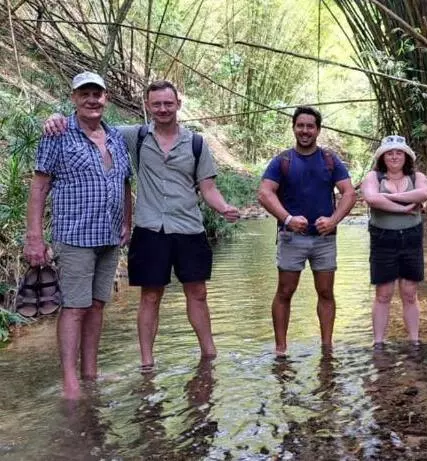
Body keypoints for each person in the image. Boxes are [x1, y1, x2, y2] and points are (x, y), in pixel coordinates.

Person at [44, 80, 240, 371]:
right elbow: (89, 121)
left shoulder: (197, 144)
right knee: (150, 295)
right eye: (157, 104)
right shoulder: (132, 136)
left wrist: (224, 208)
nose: (163, 109)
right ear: (147, 106)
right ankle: (147, 363)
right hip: (149, 229)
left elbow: (208, 188)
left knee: (197, 293)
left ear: (178, 105)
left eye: (168, 103)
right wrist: (54, 118)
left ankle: (209, 355)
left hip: (189, 227)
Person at [26, 71, 132, 399]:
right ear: (73, 98)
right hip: (74, 236)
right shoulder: (58, 133)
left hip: (109, 236)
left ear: (106, 98)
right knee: (74, 308)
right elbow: (40, 184)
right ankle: (70, 383)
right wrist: (34, 237)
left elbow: (125, 181)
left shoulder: (115, 136)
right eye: (84, 94)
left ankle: (91, 373)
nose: (91, 99)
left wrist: (128, 221)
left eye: (97, 94)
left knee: (98, 305)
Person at [257, 106, 356, 357]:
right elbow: (264, 193)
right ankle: (280, 349)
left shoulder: (330, 160)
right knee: (284, 292)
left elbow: (349, 193)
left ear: (318, 130)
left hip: (324, 238)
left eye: (310, 126)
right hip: (292, 237)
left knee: (325, 292)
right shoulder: (283, 161)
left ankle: (326, 347)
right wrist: (287, 218)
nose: (305, 131)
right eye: (300, 126)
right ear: (294, 128)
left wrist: (333, 220)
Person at [361, 135, 427, 348]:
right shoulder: (373, 177)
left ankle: (414, 340)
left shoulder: (416, 176)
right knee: (383, 293)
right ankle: (379, 343)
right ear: (382, 157)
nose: (394, 156)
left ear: (406, 156)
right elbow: (372, 198)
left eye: (398, 152)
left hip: (411, 237)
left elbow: (424, 193)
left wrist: (388, 198)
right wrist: (403, 207)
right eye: (389, 153)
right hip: (383, 238)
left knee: (410, 292)